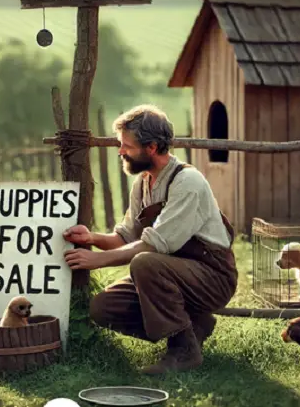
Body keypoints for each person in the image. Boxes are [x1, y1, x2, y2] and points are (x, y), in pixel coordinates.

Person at [62, 105, 238, 375]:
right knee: (103, 308)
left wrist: (96, 261)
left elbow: (154, 246)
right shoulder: (143, 182)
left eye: (127, 146)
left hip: (212, 277)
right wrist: (92, 238)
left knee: (145, 262)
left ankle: (183, 351)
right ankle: (192, 327)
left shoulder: (187, 182)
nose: (120, 151)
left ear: (152, 147)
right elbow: (125, 237)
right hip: (169, 275)